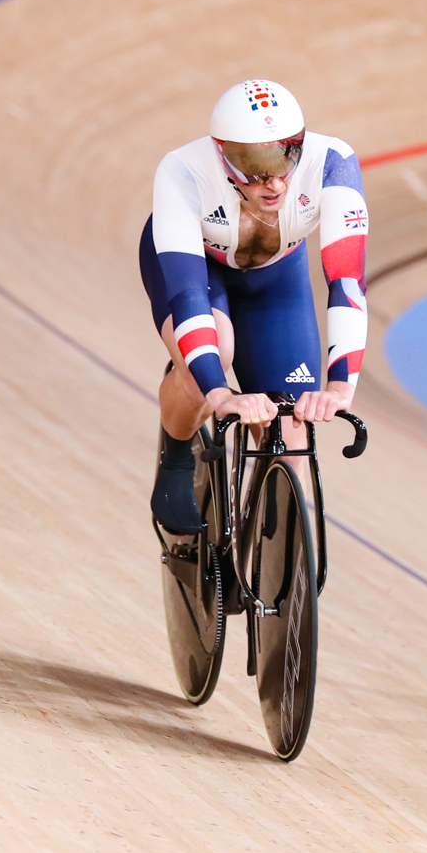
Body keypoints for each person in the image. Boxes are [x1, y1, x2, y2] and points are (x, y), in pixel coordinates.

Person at [139, 79, 368, 534]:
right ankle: (178, 453)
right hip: (199, 272)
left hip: (276, 280)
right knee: (212, 356)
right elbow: (187, 296)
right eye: (254, 167)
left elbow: (346, 280)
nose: (275, 182)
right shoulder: (183, 171)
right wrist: (217, 391)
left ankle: (270, 557)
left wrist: (341, 385)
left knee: (292, 436)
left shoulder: (332, 163)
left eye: (285, 158)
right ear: (222, 154)